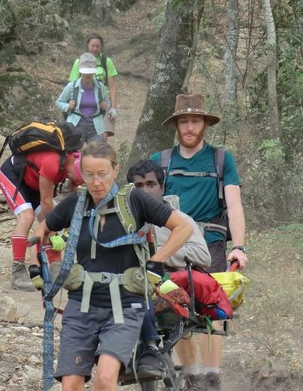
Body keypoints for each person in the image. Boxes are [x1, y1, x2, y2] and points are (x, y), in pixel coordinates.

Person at [29, 142, 193, 391]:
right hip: (81, 304)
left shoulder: (134, 200)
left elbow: (183, 228)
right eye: (89, 175)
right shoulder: (75, 204)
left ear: (115, 171)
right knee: (70, 385)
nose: (96, 182)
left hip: (124, 305)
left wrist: (156, 262)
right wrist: (35, 266)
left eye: (102, 174)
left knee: (105, 379)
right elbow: (41, 231)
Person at [150, 93, 248, 391]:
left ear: (204, 124)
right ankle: (190, 376)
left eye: (195, 121)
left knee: (211, 307)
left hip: (211, 242)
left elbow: (234, 206)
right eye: (184, 122)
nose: (189, 127)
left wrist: (239, 247)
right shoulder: (160, 161)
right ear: (176, 126)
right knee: (174, 308)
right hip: (171, 244)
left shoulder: (221, 159)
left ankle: (212, 376)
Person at [125, 159, 211, 380]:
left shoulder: (179, 220)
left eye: (151, 184)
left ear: (162, 188)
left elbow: (203, 256)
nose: (145, 190)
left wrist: (159, 254)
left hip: (168, 289)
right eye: (138, 186)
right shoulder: (122, 221)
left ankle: (191, 376)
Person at [0, 149, 84, 291]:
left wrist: (67, 230)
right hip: (13, 175)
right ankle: (17, 272)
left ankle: (56, 266)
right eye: (74, 179)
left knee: (49, 221)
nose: (71, 180)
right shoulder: (52, 163)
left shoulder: (75, 163)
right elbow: (46, 202)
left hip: (33, 181)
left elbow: (73, 202)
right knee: (27, 216)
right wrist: (55, 234)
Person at [68, 33, 118, 142]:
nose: (94, 49)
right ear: (88, 46)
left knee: (102, 137)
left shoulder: (106, 62)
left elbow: (112, 86)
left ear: (101, 47)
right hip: (83, 104)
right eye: (92, 46)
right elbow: (72, 85)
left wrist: (113, 107)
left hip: (103, 104)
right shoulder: (79, 62)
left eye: (97, 46)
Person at [57, 52, 110, 144]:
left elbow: (107, 102)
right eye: (85, 72)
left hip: (95, 126)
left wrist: (105, 105)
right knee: (75, 154)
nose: (87, 75)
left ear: (94, 72)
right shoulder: (72, 86)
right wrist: (68, 106)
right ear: (80, 71)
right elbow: (59, 102)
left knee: (97, 154)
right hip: (76, 124)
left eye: (90, 72)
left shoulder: (100, 86)